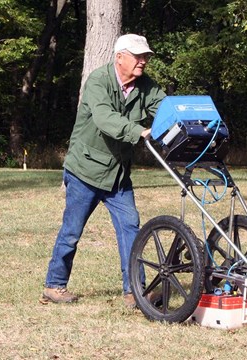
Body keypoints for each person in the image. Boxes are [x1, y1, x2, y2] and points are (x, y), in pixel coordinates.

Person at [40, 34, 166, 308]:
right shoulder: (98, 81)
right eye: (137, 56)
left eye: (146, 56)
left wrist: (189, 122)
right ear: (119, 56)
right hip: (85, 171)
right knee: (72, 231)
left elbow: (165, 109)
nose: (143, 61)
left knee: (131, 227)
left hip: (118, 175)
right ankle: (54, 285)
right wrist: (141, 131)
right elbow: (106, 119)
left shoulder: (145, 86)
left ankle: (135, 291)